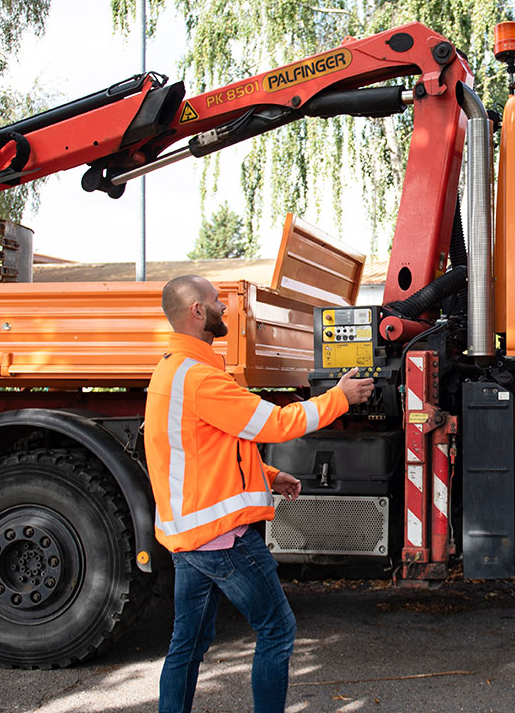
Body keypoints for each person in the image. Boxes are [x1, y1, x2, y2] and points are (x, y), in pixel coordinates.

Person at [145, 275, 373, 713]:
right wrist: (338, 398)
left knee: (187, 645)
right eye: (216, 302)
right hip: (222, 539)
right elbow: (275, 424)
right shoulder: (198, 379)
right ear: (197, 311)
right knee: (277, 630)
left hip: (190, 538)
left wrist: (267, 475)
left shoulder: (172, 370)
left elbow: (207, 448)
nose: (225, 309)